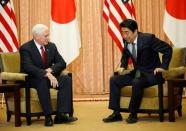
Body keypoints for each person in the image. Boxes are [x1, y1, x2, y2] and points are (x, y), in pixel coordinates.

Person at [103, 19, 172, 124]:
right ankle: (116, 113)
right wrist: (123, 66)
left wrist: (163, 67)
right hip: (137, 73)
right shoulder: (126, 40)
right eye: (122, 33)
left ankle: (133, 114)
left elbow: (168, 49)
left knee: (136, 82)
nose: (124, 36)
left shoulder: (148, 39)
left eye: (127, 33)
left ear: (135, 31)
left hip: (152, 74)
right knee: (114, 80)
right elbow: (125, 53)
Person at [19, 24, 77, 126]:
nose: (48, 38)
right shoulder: (26, 48)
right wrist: (45, 74)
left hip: (50, 77)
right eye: (46, 36)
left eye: (48, 35)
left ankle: (61, 115)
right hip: (33, 79)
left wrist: (51, 70)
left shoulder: (51, 46)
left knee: (66, 80)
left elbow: (62, 62)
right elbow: (27, 67)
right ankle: (48, 116)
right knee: (42, 81)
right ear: (36, 37)